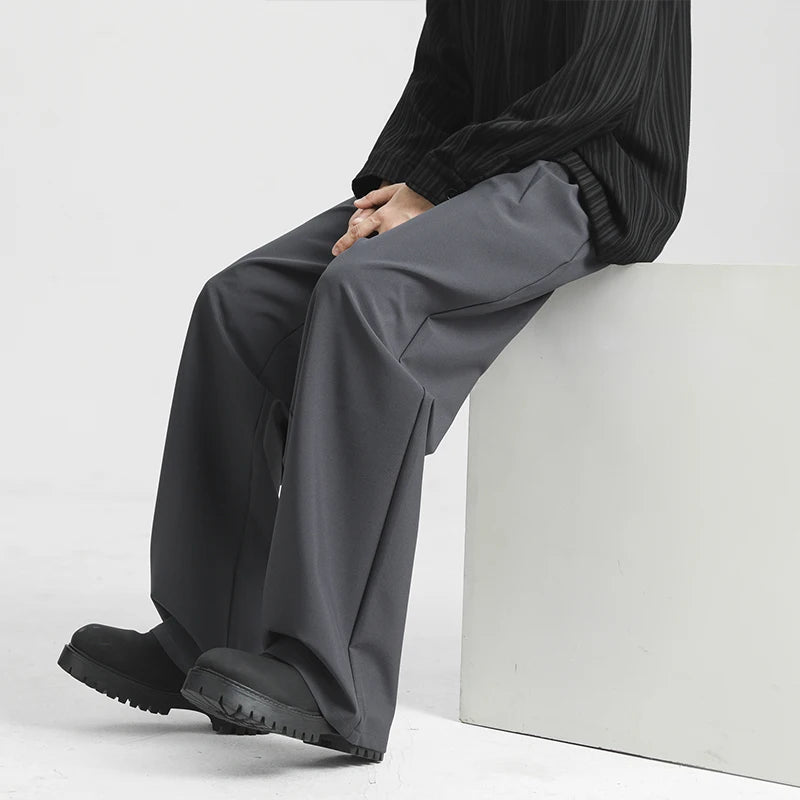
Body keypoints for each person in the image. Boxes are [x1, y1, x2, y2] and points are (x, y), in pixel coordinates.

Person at [57, 0, 691, 763]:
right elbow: (440, 79)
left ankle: (333, 678)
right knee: (240, 307)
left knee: (365, 295)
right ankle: (207, 634)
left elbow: (601, 84)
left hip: (590, 171)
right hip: (478, 171)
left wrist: (438, 187)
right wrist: (393, 192)